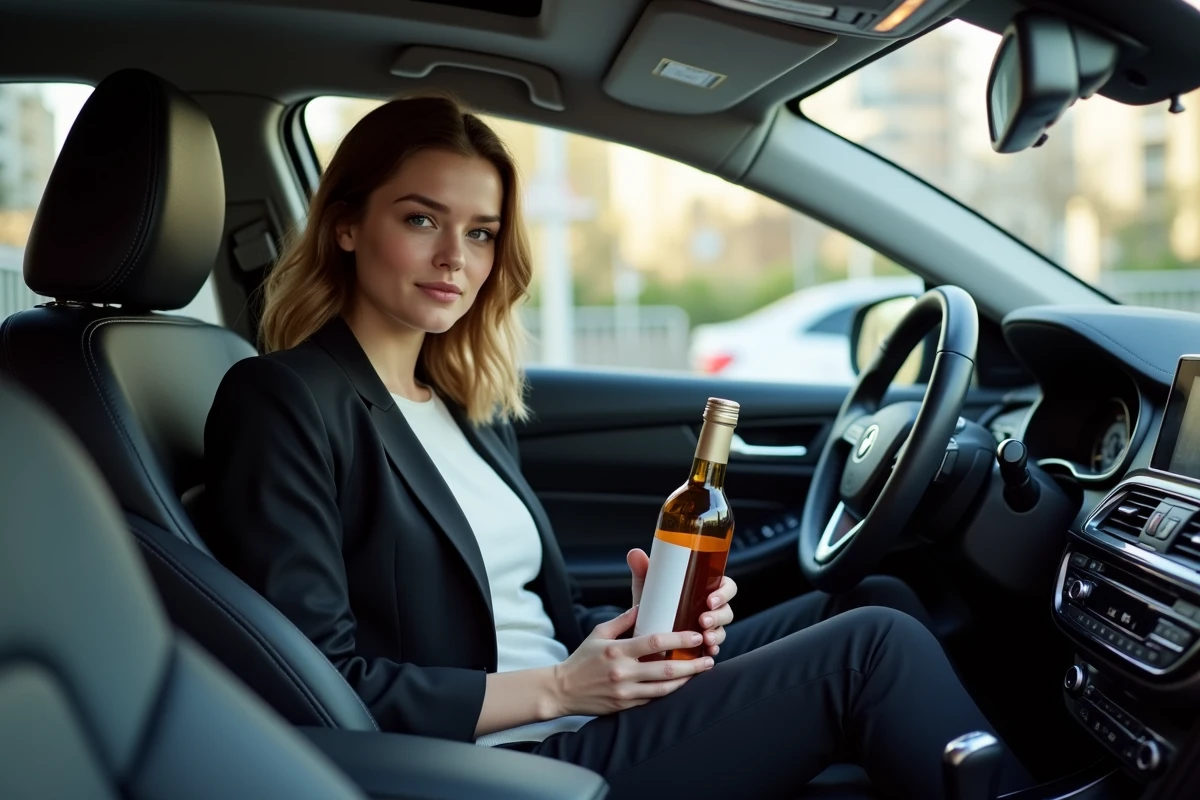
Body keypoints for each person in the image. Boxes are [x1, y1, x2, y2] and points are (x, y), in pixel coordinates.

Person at [201, 94, 1030, 799]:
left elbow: (530, 617)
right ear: (346, 227)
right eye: (421, 219)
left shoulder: (463, 404)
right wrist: (563, 686)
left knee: (871, 597)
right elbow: (313, 684)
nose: (456, 257)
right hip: (493, 765)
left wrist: (635, 631)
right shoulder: (283, 400)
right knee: (869, 652)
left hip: (568, 706)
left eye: (483, 233)